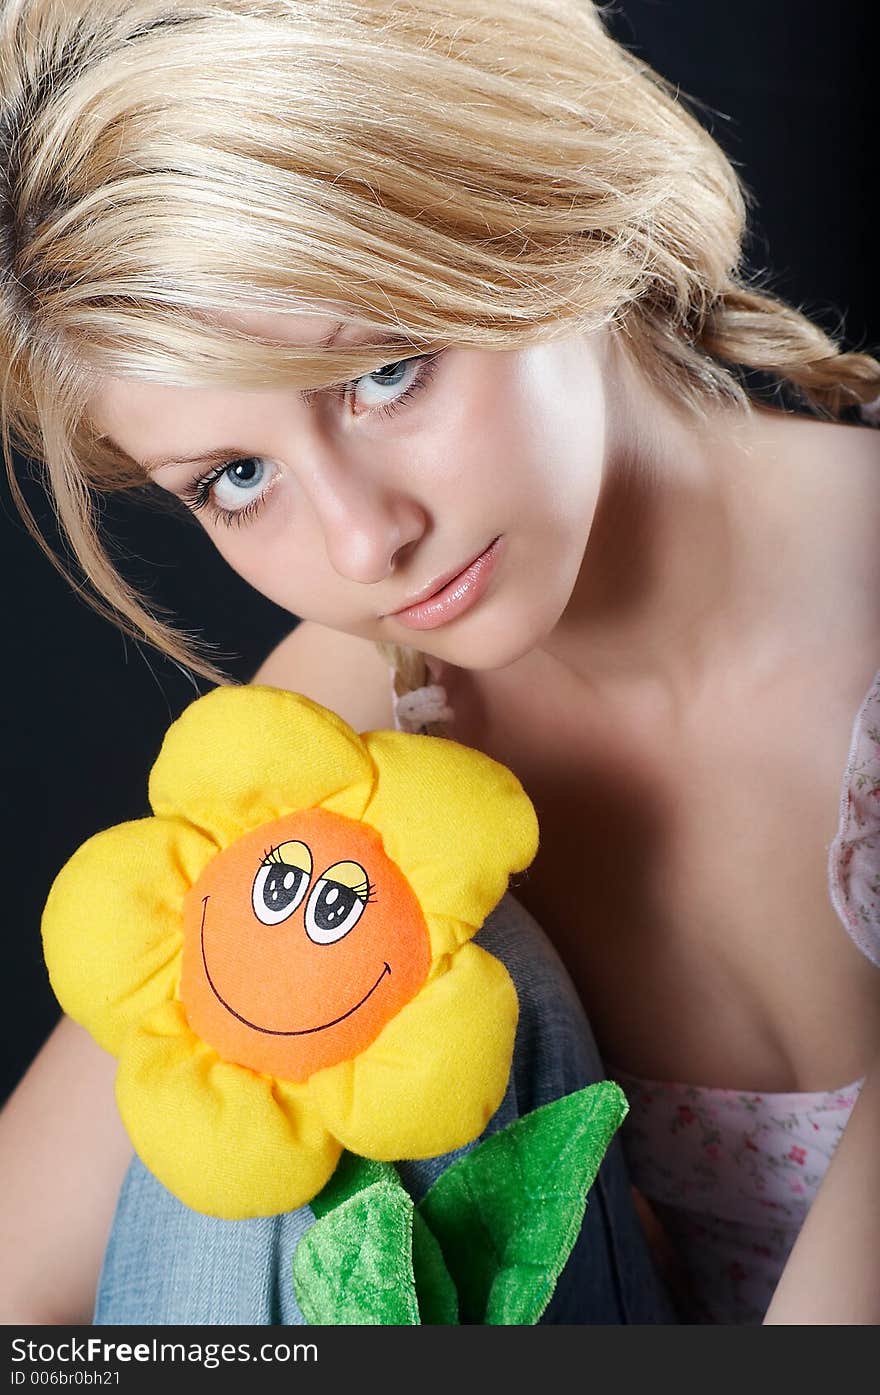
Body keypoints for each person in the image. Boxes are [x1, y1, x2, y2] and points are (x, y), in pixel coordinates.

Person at [0, 0, 877, 1326]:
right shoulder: (362, 717)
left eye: (387, 373)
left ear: (541, 204)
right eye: (236, 477)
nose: (365, 543)